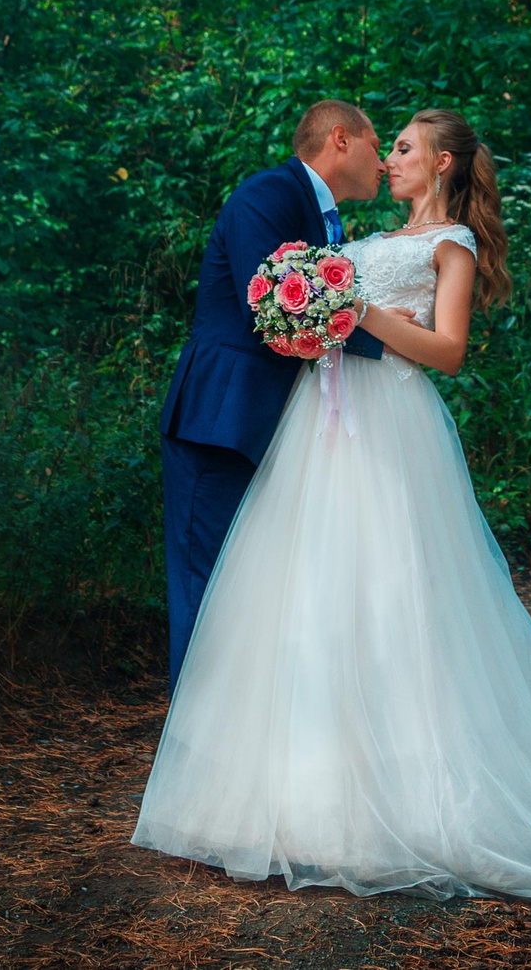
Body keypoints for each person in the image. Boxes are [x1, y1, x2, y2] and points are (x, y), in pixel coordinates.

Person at [134, 109, 531, 900]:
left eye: (403, 147)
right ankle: (300, 788)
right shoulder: (358, 235)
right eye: (384, 144)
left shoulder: (450, 244)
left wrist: (355, 311)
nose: (388, 157)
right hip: (319, 428)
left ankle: (408, 794)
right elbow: (293, 310)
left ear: (444, 162)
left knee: (393, 595)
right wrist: (334, 307)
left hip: (388, 423)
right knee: (310, 600)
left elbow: (449, 351)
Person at [158, 99, 387, 686]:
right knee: (207, 588)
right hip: (221, 423)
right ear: (341, 139)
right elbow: (273, 310)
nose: (384, 162)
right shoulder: (269, 195)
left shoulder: (324, 217)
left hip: (279, 430)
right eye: (376, 144)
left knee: (254, 594)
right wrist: (392, 340)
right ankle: (196, 737)